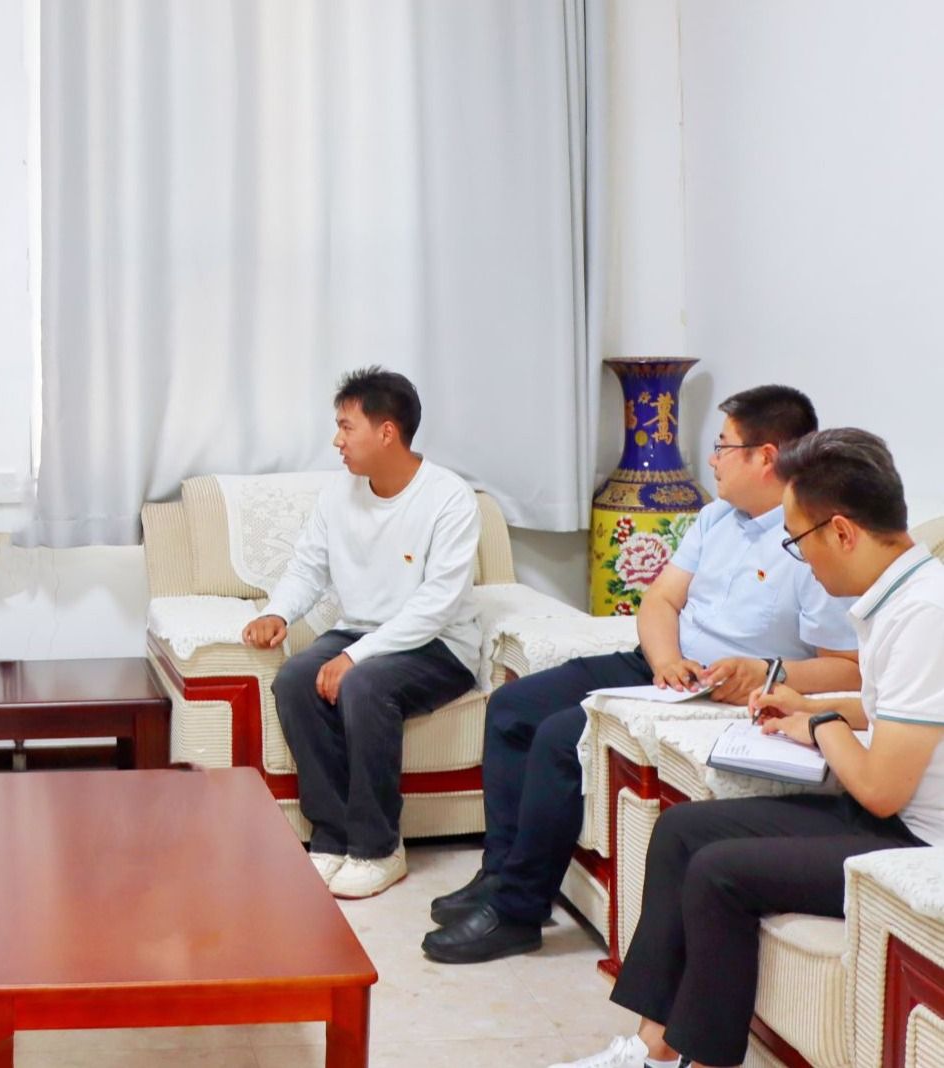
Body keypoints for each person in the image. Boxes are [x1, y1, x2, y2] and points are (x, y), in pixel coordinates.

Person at [424, 385, 860, 964]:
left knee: (560, 736)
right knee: (513, 707)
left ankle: (518, 911)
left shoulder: (812, 541)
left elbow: (847, 668)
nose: (712, 459)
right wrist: (664, 661)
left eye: (723, 446)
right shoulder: (714, 518)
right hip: (663, 666)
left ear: (767, 456)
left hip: (723, 691)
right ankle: (499, 874)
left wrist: (765, 672)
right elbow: (660, 601)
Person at [551, 428, 940, 1068]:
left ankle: (702, 1060)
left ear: (842, 532)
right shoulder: (894, 597)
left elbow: (880, 788)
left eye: (798, 540)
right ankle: (654, 1050)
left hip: (917, 841)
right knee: (681, 831)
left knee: (720, 872)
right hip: (891, 816)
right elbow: (888, 712)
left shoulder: (925, 616)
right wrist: (806, 706)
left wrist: (821, 725)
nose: (800, 558)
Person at [240, 367, 483, 899]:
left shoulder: (450, 498)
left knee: (364, 684)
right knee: (295, 679)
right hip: (361, 633)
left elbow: (436, 606)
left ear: (387, 432)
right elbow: (308, 567)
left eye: (346, 427)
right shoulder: (338, 494)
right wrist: (278, 613)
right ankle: (332, 837)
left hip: (439, 645)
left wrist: (357, 658)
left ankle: (378, 848)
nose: (337, 440)